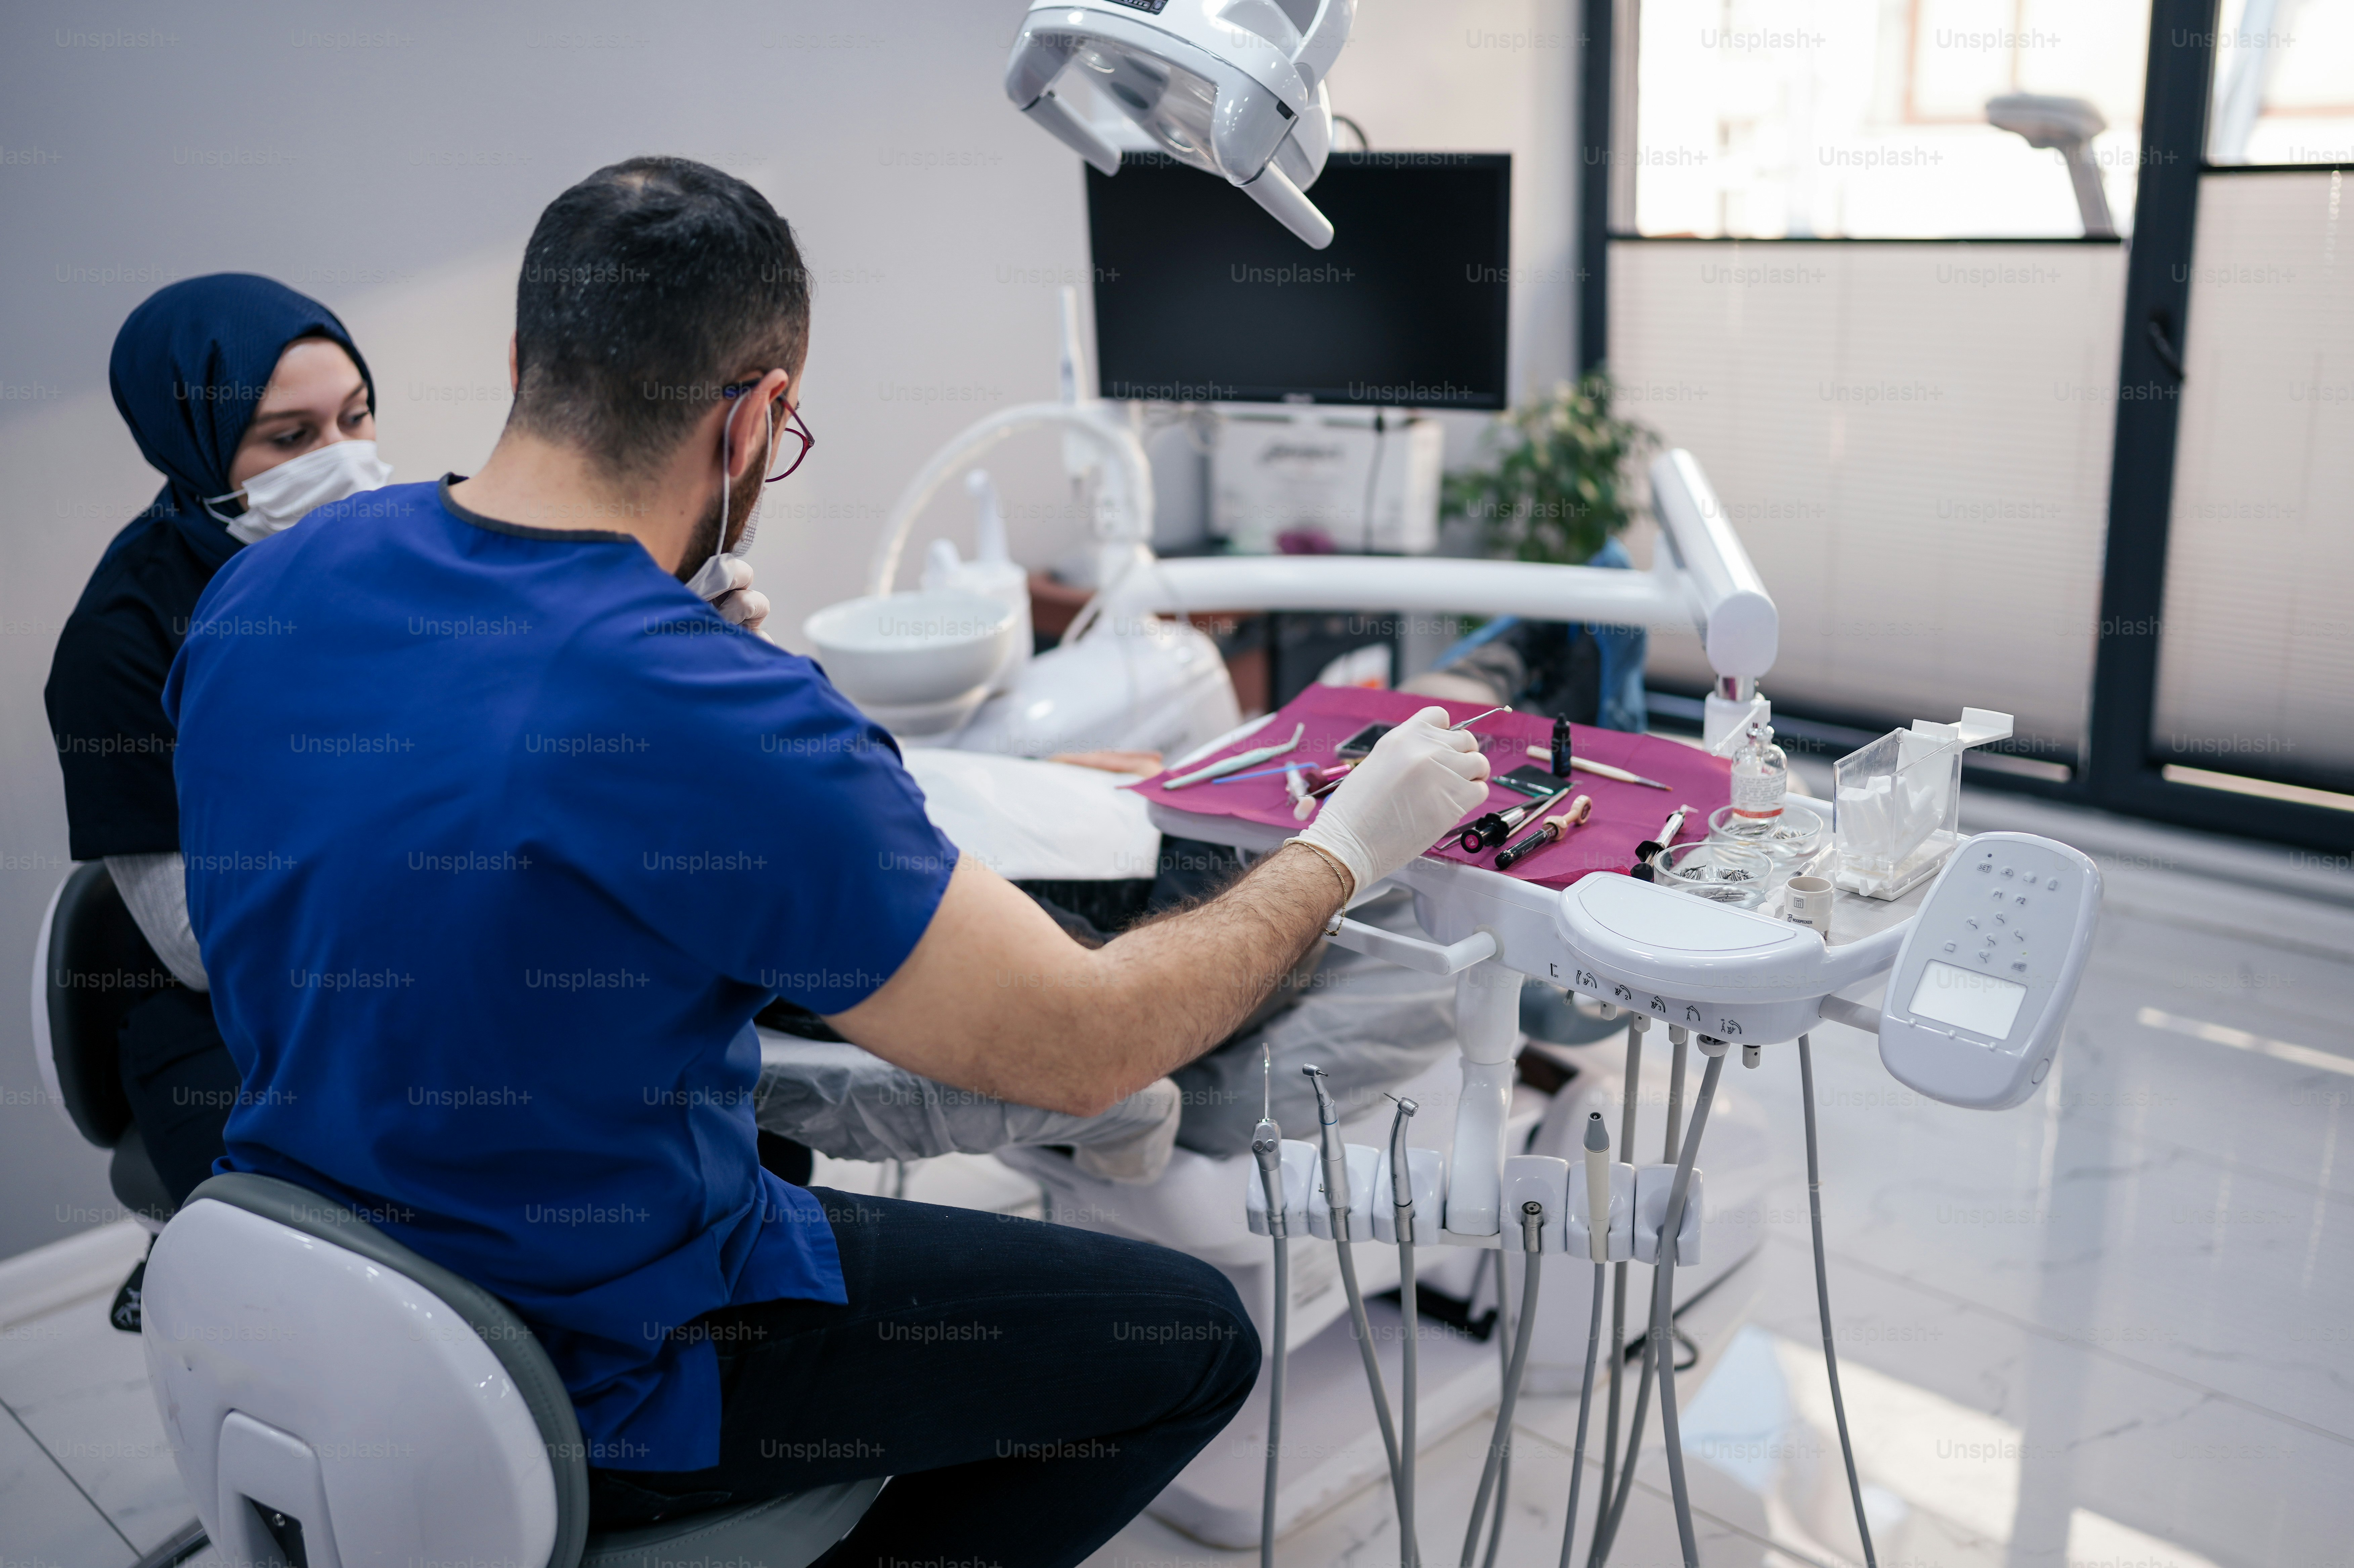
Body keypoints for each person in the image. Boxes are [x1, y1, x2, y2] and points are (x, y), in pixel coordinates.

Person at [165, 157, 1489, 1567]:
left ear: (525, 362)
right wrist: (1346, 845)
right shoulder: (711, 711)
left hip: (310, 1263)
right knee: (1185, 1336)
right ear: (758, 415)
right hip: (598, 1363)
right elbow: (1086, 1048)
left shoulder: (269, 581)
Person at [45, 275, 393, 1327]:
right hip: (230, 1014)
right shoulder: (121, 643)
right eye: (289, 438)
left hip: (407, 950)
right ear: (192, 446)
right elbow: (198, 939)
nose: (342, 461)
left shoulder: (405, 542)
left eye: (357, 416)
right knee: (349, 1282)